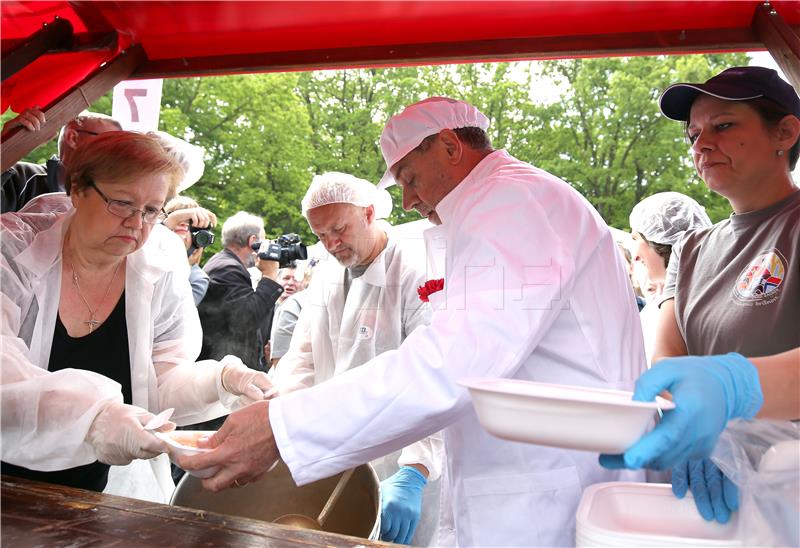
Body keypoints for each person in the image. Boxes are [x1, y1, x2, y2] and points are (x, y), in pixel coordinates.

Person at [181, 97, 647, 547]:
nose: (405, 201)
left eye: (409, 177)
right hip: (525, 473)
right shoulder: (493, 206)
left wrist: (285, 428)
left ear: (449, 146)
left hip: (550, 482)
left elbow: (454, 362)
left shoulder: (514, 203)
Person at [0, 132, 272, 499]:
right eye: (122, 203)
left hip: (95, 494)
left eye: (150, 210)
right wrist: (94, 418)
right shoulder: (13, 253)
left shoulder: (156, 266)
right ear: (77, 189)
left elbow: (157, 379)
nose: (136, 223)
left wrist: (221, 379)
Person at [600, 66, 800, 524]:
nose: (701, 144)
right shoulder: (692, 248)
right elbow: (668, 359)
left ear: (785, 132)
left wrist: (734, 390)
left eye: (723, 126)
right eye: (693, 134)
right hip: (717, 488)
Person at [271, 171, 441, 545]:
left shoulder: (416, 271)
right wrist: (280, 424)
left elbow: (437, 373)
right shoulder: (329, 275)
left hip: (403, 460)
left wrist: (417, 467)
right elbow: (304, 358)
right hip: (341, 453)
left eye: (339, 229)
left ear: (368, 214)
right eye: (320, 235)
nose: (331, 244)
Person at [628, 192, 711, 364]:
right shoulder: (658, 307)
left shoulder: (687, 310)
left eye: (636, 239)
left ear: (660, 240)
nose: (634, 255)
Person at [197, 212, 282, 372]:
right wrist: (270, 275)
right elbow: (245, 319)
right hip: (221, 371)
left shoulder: (223, 263)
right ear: (253, 241)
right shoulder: (228, 269)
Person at [1, 110, 121, 213]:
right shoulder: (20, 178)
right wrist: (6, 150)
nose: (118, 154)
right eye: (109, 142)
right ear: (73, 138)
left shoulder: (112, 197)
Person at [163, 195, 217, 305]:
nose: (183, 223)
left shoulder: (197, 278)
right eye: (177, 217)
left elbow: (174, 310)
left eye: (191, 221)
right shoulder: (148, 249)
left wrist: (184, 265)